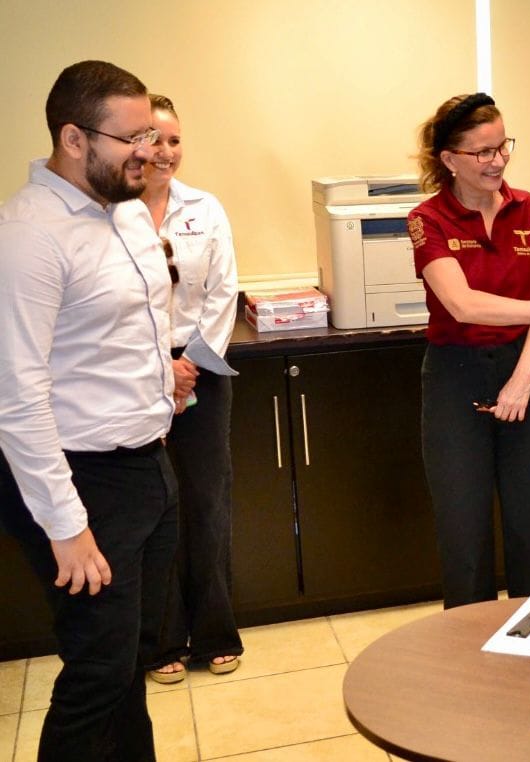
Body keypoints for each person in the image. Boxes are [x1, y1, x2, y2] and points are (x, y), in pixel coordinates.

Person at [0, 61, 177, 761]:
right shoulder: (28, 235)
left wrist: (163, 376)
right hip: (80, 480)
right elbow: (16, 396)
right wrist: (66, 525)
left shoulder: (125, 208)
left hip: (147, 464)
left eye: (152, 136)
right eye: (132, 139)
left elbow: (130, 321)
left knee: (133, 656)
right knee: (98, 670)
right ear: (73, 138)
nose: (148, 153)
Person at [408, 93, 530, 608]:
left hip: (524, 368)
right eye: (483, 152)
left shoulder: (527, 207)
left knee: (529, 524)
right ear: (450, 159)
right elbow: (463, 304)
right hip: (456, 375)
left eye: (502, 147)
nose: (498, 161)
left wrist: (522, 378)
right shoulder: (428, 219)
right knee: (463, 528)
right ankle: (466, 643)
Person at [139, 94, 243, 683]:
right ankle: (160, 643)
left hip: (201, 369)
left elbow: (223, 294)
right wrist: (161, 371)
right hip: (134, 376)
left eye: (174, 140)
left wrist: (189, 369)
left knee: (207, 503)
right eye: (154, 139)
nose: (166, 151)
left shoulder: (205, 208)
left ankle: (214, 634)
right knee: (155, 507)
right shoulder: (110, 211)